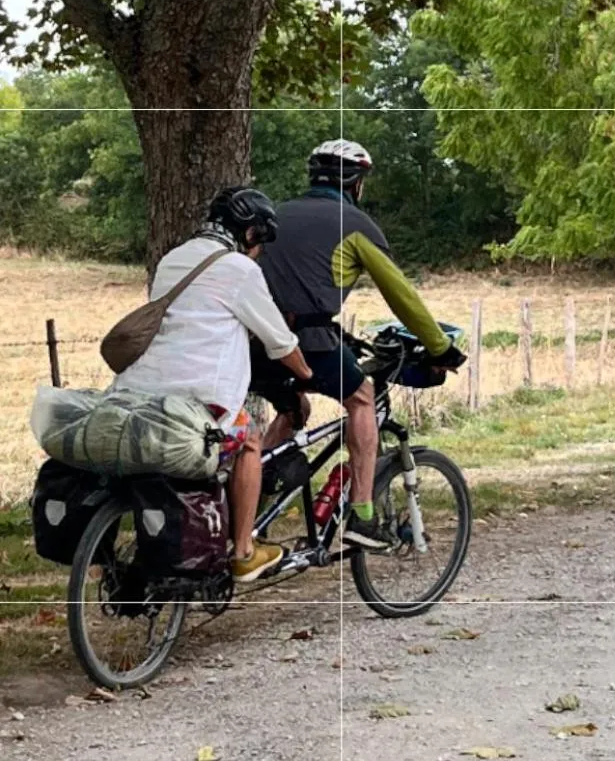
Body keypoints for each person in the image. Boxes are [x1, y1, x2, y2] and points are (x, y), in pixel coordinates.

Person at [252, 139, 466, 549]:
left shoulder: (275, 215)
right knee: (361, 397)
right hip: (309, 342)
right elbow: (401, 295)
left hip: (254, 341)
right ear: (356, 184)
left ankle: (251, 507)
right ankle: (363, 516)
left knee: (295, 406)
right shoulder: (355, 224)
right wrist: (440, 348)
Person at [110, 187, 313, 582]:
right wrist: (305, 374)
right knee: (250, 439)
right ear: (251, 233)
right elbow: (280, 342)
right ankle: (243, 551)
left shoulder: (174, 259)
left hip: (144, 389)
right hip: (200, 398)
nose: (260, 250)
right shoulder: (240, 269)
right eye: (262, 240)